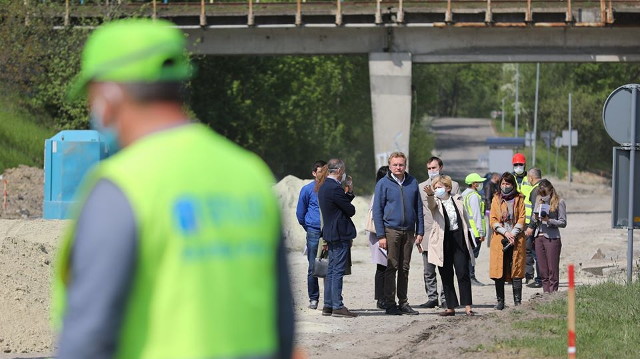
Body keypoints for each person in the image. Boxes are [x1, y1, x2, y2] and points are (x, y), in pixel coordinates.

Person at [52, 19, 294, 359]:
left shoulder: (121, 185)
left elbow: (88, 336)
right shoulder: (250, 173)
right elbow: (282, 323)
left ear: (108, 93)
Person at [373, 152, 424, 316]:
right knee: (391, 266)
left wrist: (420, 231)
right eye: (395, 164)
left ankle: (403, 302)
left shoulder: (412, 182)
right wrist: (381, 235)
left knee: (405, 268)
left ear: (405, 165)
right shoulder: (383, 183)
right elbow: (377, 210)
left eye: (401, 164)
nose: (398, 167)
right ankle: (389, 303)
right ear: (390, 165)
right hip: (391, 230)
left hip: (409, 231)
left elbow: (419, 209)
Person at [423, 175, 476, 316]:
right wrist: (429, 194)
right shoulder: (435, 201)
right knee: (446, 274)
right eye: (435, 188)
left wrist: (472, 235)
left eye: (439, 187)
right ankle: (450, 306)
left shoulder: (458, 199)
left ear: (447, 188)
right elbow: (431, 205)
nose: (437, 190)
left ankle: (468, 306)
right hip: (442, 241)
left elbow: (466, 219)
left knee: (463, 272)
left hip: (459, 239)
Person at [316, 159, 358, 318]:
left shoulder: (324, 186)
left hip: (330, 232)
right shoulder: (334, 188)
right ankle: (337, 306)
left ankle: (328, 304)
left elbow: (340, 205)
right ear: (339, 170)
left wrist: (349, 192)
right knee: (337, 270)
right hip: (339, 233)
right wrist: (347, 195)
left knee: (331, 270)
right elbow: (350, 210)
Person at [418, 156, 459, 309]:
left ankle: (445, 298)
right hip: (429, 232)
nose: (431, 171)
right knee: (428, 270)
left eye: (434, 168)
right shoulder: (421, 186)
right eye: (429, 168)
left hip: (446, 233)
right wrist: (419, 233)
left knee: (446, 268)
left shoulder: (453, 186)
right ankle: (432, 297)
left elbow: (457, 209)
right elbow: (419, 212)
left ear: (440, 167)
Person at [489, 172, 527, 310]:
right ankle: (500, 301)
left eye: (508, 183)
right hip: (500, 238)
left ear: (513, 184)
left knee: (516, 269)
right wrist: (505, 232)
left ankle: (518, 302)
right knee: (499, 269)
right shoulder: (496, 199)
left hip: (516, 238)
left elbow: (522, 217)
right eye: (503, 184)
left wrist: (513, 233)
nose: (505, 186)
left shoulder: (519, 198)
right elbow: (493, 219)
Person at [296, 160, 327, 310]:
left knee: (330, 267)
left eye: (326, 171)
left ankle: (330, 300)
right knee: (313, 267)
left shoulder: (331, 188)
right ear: (314, 173)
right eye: (320, 171)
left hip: (329, 232)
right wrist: (309, 227)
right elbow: (300, 213)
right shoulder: (307, 190)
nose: (323, 174)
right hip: (314, 231)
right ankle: (313, 298)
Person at [526, 179, 566, 293]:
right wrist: (535, 217)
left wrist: (549, 220)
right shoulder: (539, 201)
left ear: (551, 191)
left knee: (552, 269)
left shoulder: (559, 202)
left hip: (552, 238)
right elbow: (533, 219)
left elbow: (563, 222)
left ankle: (553, 293)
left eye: (545, 194)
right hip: (539, 237)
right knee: (543, 270)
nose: (544, 196)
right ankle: (546, 293)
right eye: (541, 194)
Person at [366, 166, 390, 310]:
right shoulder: (378, 193)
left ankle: (386, 296)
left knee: (387, 267)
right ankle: (381, 298)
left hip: (385, 233)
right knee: (382, 267)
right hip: (379, 234)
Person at [461, 173, 487, 286]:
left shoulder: (464, 194)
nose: (480, 184)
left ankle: (467, 276)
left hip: (467, 229)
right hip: (475, 231)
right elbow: (476, 215)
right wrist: (481, 232)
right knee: (472, 255)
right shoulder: (474, 196)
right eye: (479, 182)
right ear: (473, 184)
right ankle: (471, 277)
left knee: (467, 254)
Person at [523, 168, 543, 288]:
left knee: (534, 252)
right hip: (540, 225)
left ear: (531, 178)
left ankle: (539, 279)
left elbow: (536, 210)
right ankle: (541, 278)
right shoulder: (545, 186)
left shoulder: (536, 190)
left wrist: (531, 226)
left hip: (534, 225)